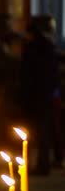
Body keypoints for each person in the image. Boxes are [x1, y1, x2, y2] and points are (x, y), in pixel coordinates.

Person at [20, 15, 61, 175]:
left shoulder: (32, 48)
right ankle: (42, 164)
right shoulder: (47, 46)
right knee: (43, 131)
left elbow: (27, 74)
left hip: (35, 96)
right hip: (45, 95)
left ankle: (34, 165)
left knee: (33, 132)